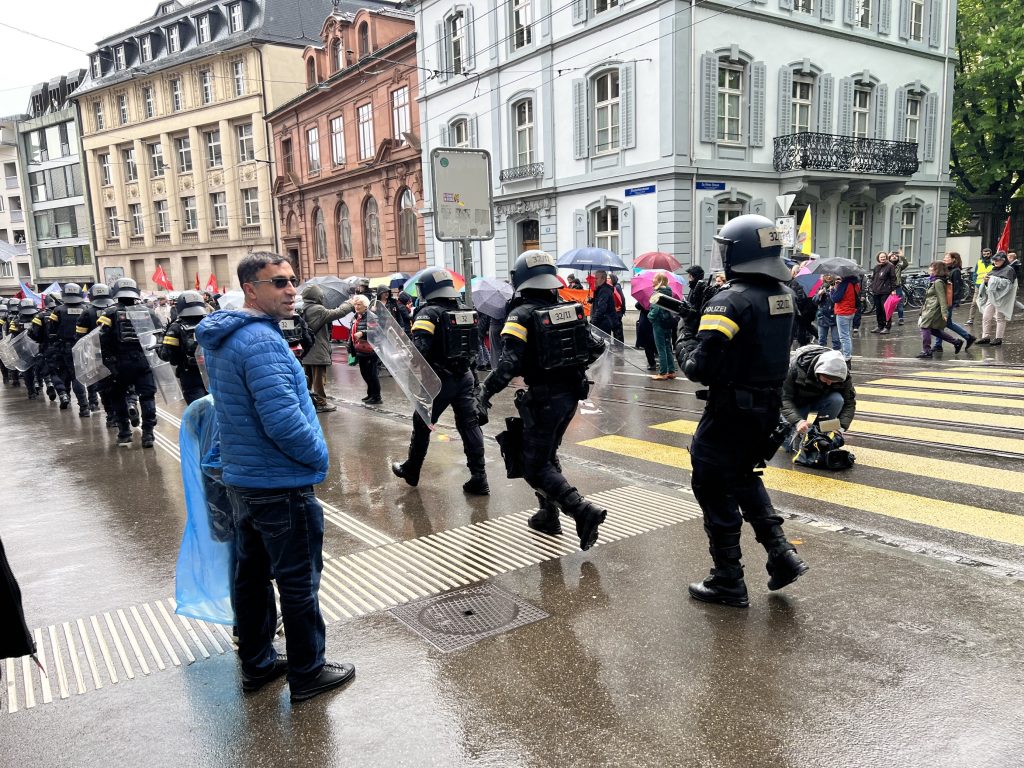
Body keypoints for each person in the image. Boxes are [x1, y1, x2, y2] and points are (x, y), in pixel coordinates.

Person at [194, 251, 355, 704]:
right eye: (278, 283)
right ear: (251, 289)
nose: (291, 291)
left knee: (252, 576)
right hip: (279, 483)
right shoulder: (261, 341)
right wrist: (318, 457)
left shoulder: (225, 335)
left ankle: (258, 663)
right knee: (298, 582)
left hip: (244, 478)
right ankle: (308, 672)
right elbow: (282, 420)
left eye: (292, 281)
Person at [678, 214, 808, 608]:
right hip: (765, 409)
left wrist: (685, 330)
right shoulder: (784, 295)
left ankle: (727, 581)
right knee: (744, 476)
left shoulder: (730, 299)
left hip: (730, 412)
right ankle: (781, 553)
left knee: (712, 486)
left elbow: (699, 368)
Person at [477, 250, 607, 551]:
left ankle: (581, 511)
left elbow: (508, 365)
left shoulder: (520, 316)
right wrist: (571, 365)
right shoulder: (569, 308)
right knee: (545, 454)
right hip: (570, 396)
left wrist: (483, 394)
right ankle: (548, 515)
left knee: (534, 466)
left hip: (545, 399)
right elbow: (597, 347)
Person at [392, 268, 489, 495]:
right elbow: (473, 349)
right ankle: (479, 477)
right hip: (465, 376)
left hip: (438, 381)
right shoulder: (465, 310)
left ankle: (412, 469)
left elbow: (420, 351)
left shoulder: (428, 313)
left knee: (422, 423)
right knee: (469, 426)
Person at [97, 279, 162, 448]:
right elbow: (159, 337)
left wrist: (108, 361)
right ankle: (148, 434)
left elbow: (100, 340)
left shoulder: (109, 313)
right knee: (147, 397)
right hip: (142, 361)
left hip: (118, 364)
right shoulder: (148, 312)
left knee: (118, 397)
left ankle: (125, 433)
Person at [781, 346, 856, 451]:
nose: (829, 383)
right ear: (817, 371)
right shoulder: (794, 369)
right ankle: (783, 424)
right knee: (790, 447)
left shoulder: (842, 374)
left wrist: (840, 429)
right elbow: (784, 399)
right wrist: (798, 421)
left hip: (818, 399)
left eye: (833, 381)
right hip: (796, 402)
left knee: (837, 400)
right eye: (826, 379)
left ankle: (819, 433)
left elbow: (849, 403)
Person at [300, 283, 354, 413]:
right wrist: (349, 303)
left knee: (307, 378)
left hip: (306, 350)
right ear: (316, 296)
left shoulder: (303, 308)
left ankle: (307, 401)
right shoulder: (317, 309)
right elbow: (339, 312)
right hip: (317, 349)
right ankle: (320, 402)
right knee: (319, 378)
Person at [40, 283, 92, 416]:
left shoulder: (58, 310)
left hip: (63, 347)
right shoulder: (86, 308)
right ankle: (84, 407)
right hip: (83, 347)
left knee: (63, 374)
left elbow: (51, 330)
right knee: (79, 376)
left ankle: (67, 398)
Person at [157, 291, 210, 404]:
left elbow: (166, 355)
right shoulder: (210, 323)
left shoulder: (175, 327)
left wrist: (160, 340)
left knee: (198, 410)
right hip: (211, 372)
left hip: (189, 375)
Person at [75, 283, 115, 425]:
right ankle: (129, 405)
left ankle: (111, 416)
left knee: (103, 387)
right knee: (122, 386)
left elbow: (80, 336)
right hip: (117, 355)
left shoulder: (87, 312)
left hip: (96, 355)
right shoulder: (116, 310)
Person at [916, 260, 963, 358]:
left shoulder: (938, 282)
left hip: (933, 309)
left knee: (924, 327)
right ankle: (956, 342)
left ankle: (927, 351)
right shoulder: (936, 280)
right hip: (930, 308)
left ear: (937, 269)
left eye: (932, 267)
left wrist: (944, 313)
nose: (929, 269)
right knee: (933, 330)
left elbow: (942, 298)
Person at [933, 252, 976, 353]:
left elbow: (956, 288)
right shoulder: (947, 269)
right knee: (944, 323)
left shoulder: (955, 271)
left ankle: (939, 344)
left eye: (947, 257)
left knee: (944, 323)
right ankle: (939, 345)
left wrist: (953, 302)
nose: (944, 259)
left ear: (954, 259)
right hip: (944, 300)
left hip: (948, 301)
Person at [977, 251, 1018, 345]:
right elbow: (989, 285)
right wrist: (986, 281)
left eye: (998, 260)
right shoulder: (993, 269)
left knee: (1000, 317)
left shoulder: (1009, 270)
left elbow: (1008, 285)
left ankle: (998, 338)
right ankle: (985, 337)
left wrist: (992, 279)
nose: (996, 262)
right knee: (986, 316)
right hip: (991, 297)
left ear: (1003, 260)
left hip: (1002, 298)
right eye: (994, 260)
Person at [348, 295, 381, 404]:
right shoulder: (356, 317)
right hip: (360, 350)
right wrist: (350, 348)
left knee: (372, 374)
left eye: (359, 304)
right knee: (365, 373)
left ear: (365, 306)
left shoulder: (371, 316)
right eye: (355, 304)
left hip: (370, 351)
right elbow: (351, 334)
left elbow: (377, 332)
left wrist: (363, 333)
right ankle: (370, 394)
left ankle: (376, 397)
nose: (356, 306)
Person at [646, 273, 677, 380]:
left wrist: (649, 316)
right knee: (668, 346)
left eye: (654, 278)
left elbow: (655, 309)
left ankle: (663, 373)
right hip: (667, 322)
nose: (652, 280)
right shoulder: (668, 292)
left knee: (661, 348)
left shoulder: (657, 293)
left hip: (658, 323)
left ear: (659, 281)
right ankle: (671, 371)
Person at [10, 299, 41, 399]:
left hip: (23, 350)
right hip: (38, 349)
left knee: (27, 371)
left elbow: (13, 339)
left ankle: (31, 392)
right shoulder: (38, 319)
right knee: (39, 369)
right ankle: (38, 386)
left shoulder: (15, 321)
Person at [829, 273, 860, 368]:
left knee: (844, 337)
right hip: (851, 311)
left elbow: (835, 298)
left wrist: (833, 290)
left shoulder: (844, 284)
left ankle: (846, 358)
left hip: (843, 312)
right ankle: (846, 355)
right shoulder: (855, 283)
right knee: (847, 335)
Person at [868, 251, 897, 333]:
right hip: (876, 291)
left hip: (885, 291)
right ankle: (880, 326)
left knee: (886, 310)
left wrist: (893, 290)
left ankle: (887, 327)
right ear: (878, 258)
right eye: (881, 257)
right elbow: (873, 278)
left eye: (884, 257)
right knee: (878, 310)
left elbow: (893, 278)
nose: (882, 258)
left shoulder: (890, 266)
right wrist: (872, 286)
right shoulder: (876, 267)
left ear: (886, 257)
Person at [814, 275, 841, 350]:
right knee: (822, 340)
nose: (828, 277)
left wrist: (833, 291)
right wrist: (819, 294)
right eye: (826, 275)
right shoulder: (820, 286)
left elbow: (838, 300)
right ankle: (822, 356)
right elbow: (815, 301)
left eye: (830, 275)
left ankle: (837, 356)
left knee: (836, 340)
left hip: (834, 315)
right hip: (822, 316)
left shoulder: (837, 286)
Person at [967, 248, 993, 325]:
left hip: (989, 285)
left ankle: (987, 318)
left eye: (988, 254)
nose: (986, 256)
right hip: (978, 285)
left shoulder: (994, 262)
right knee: (974, 302)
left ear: (991, 254)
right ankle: (970, 319)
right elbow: (975, 273)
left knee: (989, 303)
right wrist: (975, 282)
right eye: (984, 254)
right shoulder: (979, 262)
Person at [588, 270, 617, 335]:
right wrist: (592, 300)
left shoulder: (605, 290)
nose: (595, 280)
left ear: (603, 278)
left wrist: (592, 322)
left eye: (596, 278)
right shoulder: (600, 289)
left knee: (603, 343)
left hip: (603, 323)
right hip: (602, 322)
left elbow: (601, 308)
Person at [888, 250, 909, 325]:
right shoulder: (887, 266)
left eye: (896, 256)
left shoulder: (899, 266)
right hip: (889, 288)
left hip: (897, 287)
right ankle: (888, 319)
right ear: (889, 258)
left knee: (899, 303)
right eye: (892, 256)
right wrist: (887, 256)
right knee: (890, 304)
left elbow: (906, 264)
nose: (894, 256)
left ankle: (901, 318)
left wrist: (902, 256)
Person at [608, 273, 626, 342]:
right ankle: (618, 345)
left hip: (617, 313)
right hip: (615, 312)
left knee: (618, 332)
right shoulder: (612, 287)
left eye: (608, 278)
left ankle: (619, 347)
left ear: (612, 279)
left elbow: (622, 299)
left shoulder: (616, 287)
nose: (607, 280)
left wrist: (622, 310)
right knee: (616, 331)